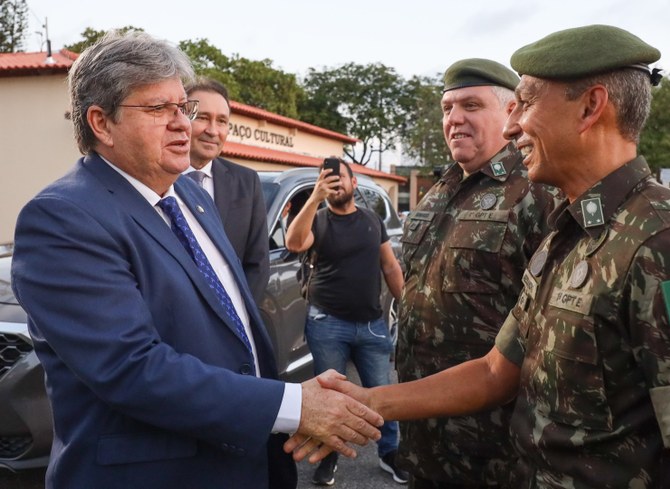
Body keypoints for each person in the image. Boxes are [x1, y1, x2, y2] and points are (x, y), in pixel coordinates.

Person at [289, 25, 670, 489]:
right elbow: (496, 370)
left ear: (590, 107)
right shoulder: (572, 229)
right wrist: (369, 400)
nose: (514, 124)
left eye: (529, 102)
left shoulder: (669, 247)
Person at [10, 31, 383, 489]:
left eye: (182, 107)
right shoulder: (63, 218)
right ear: (101, 123)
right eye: (157, 110)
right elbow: (131, 368)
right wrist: (291, 406)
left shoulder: (189, 194)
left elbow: (232, 322)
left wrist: (281, 407)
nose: (183, 124)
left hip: (244, 458)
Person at [396, 58, 561, 489]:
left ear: (511, 113)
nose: (454, 119)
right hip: (424, 437)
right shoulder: (441, 189)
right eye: (447, 108)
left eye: (470, 105)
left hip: (497, 448)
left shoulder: (538, 189)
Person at [285, 160, 406, 485]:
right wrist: (314, 198)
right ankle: (329, 457)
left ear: (354, 182)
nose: (337, 185)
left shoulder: (371, 219)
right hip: (327, 325)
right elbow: (295, 243)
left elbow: (390, 266)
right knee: (331, 397)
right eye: (329, 180)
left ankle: (390, 453)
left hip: (371, 325)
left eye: (342, 179)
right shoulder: (319, 219)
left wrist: (407, 305)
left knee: (382, 393)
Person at [185, 78, 270, 304]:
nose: (213, 131)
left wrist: (240, 318)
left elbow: (257, 263)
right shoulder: (157, 178)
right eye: (202, 117)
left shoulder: (247, 182)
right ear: (181, 118)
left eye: (222, 121)